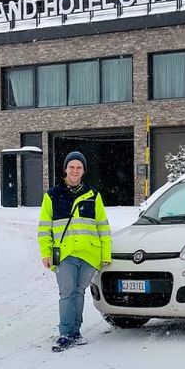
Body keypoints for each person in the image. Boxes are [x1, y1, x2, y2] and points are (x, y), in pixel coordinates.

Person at [38, 151, 111, 352]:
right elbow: (45, 228)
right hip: (65, 254)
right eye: (72, 167)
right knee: (67, 293)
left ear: (83, 171)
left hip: (89, 254)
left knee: (79, 293)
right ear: (65, 169)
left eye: (79, 167)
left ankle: (76, 332)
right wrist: (46, 252)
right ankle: (65, 333)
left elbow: (102, 227)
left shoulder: (93, 196)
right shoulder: (52, 195)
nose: (75, 170)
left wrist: (105, 254)